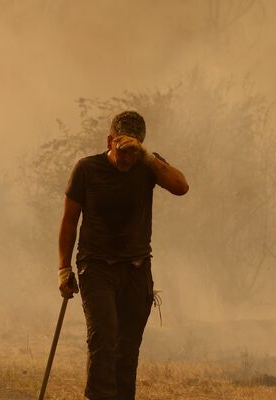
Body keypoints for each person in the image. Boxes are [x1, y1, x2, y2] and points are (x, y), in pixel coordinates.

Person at [57, 111, 189, 400]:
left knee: (127, 348)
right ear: (110, 141)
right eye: (122, 150)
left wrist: (148, 157)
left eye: (133, 151)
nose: (127, 158)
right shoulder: (87, 169)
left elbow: (182, 187)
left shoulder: (147, 166)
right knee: (103, 339)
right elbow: (69, 221)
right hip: (96, 268)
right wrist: (64, 269)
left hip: (136, 269)